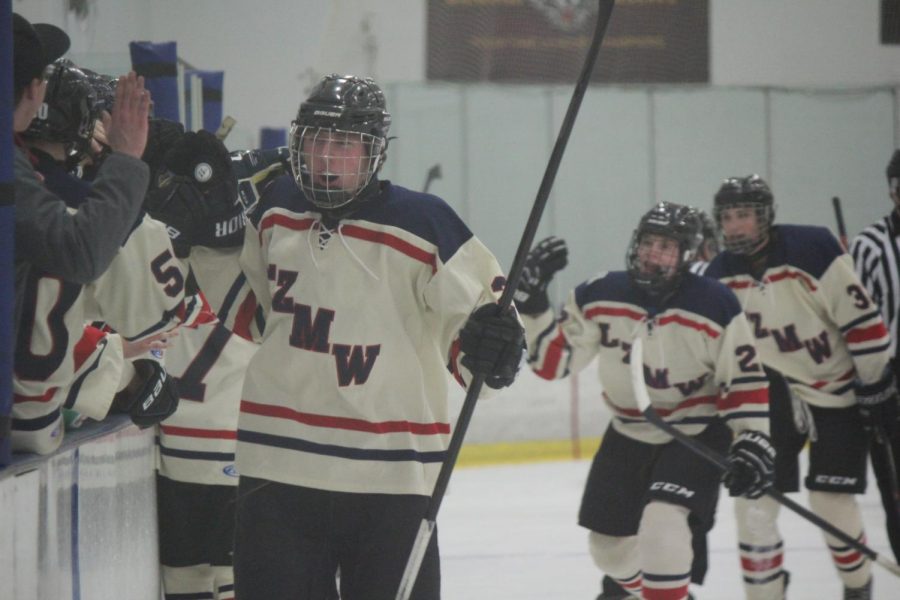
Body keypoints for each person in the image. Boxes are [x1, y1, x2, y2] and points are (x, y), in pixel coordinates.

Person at [231, 74, 525, 600]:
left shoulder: (425, 224)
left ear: (373, 153)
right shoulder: (273, 208)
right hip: (278, 469)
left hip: (392, 477)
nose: (326, 158)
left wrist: (494, 343)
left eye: (343, 144)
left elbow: (484, 326)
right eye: (318, 142)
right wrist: (204, 236)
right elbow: (247, 311)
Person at [515, 202, 773, 600]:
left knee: (662, 523)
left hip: (696, 432)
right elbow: (554, 363)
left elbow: (742, 379)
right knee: (609, 550)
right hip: (627, 431)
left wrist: (752, 437)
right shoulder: (599, 293)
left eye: (666, 247)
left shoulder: (715, 303)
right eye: (648, 243)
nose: (653, 253)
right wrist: (533, 307)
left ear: (687, 254)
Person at [705, 174, 893, 600]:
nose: (735, 226)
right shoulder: (718, 276)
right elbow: (720, 355)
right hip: (771, 397)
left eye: (745, 216)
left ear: (766, 216)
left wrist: (875, 385)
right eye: (728, 217)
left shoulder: (813, 248)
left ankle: (857, 587)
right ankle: (765, 594)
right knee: (755, 504)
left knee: (831, 501)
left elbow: (863, 324)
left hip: (838, 390)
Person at [849, 149, 900, 563]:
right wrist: (868, 385)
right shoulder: (870, 246)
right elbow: (852, 321)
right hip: (890, 385)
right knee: (896, 493)